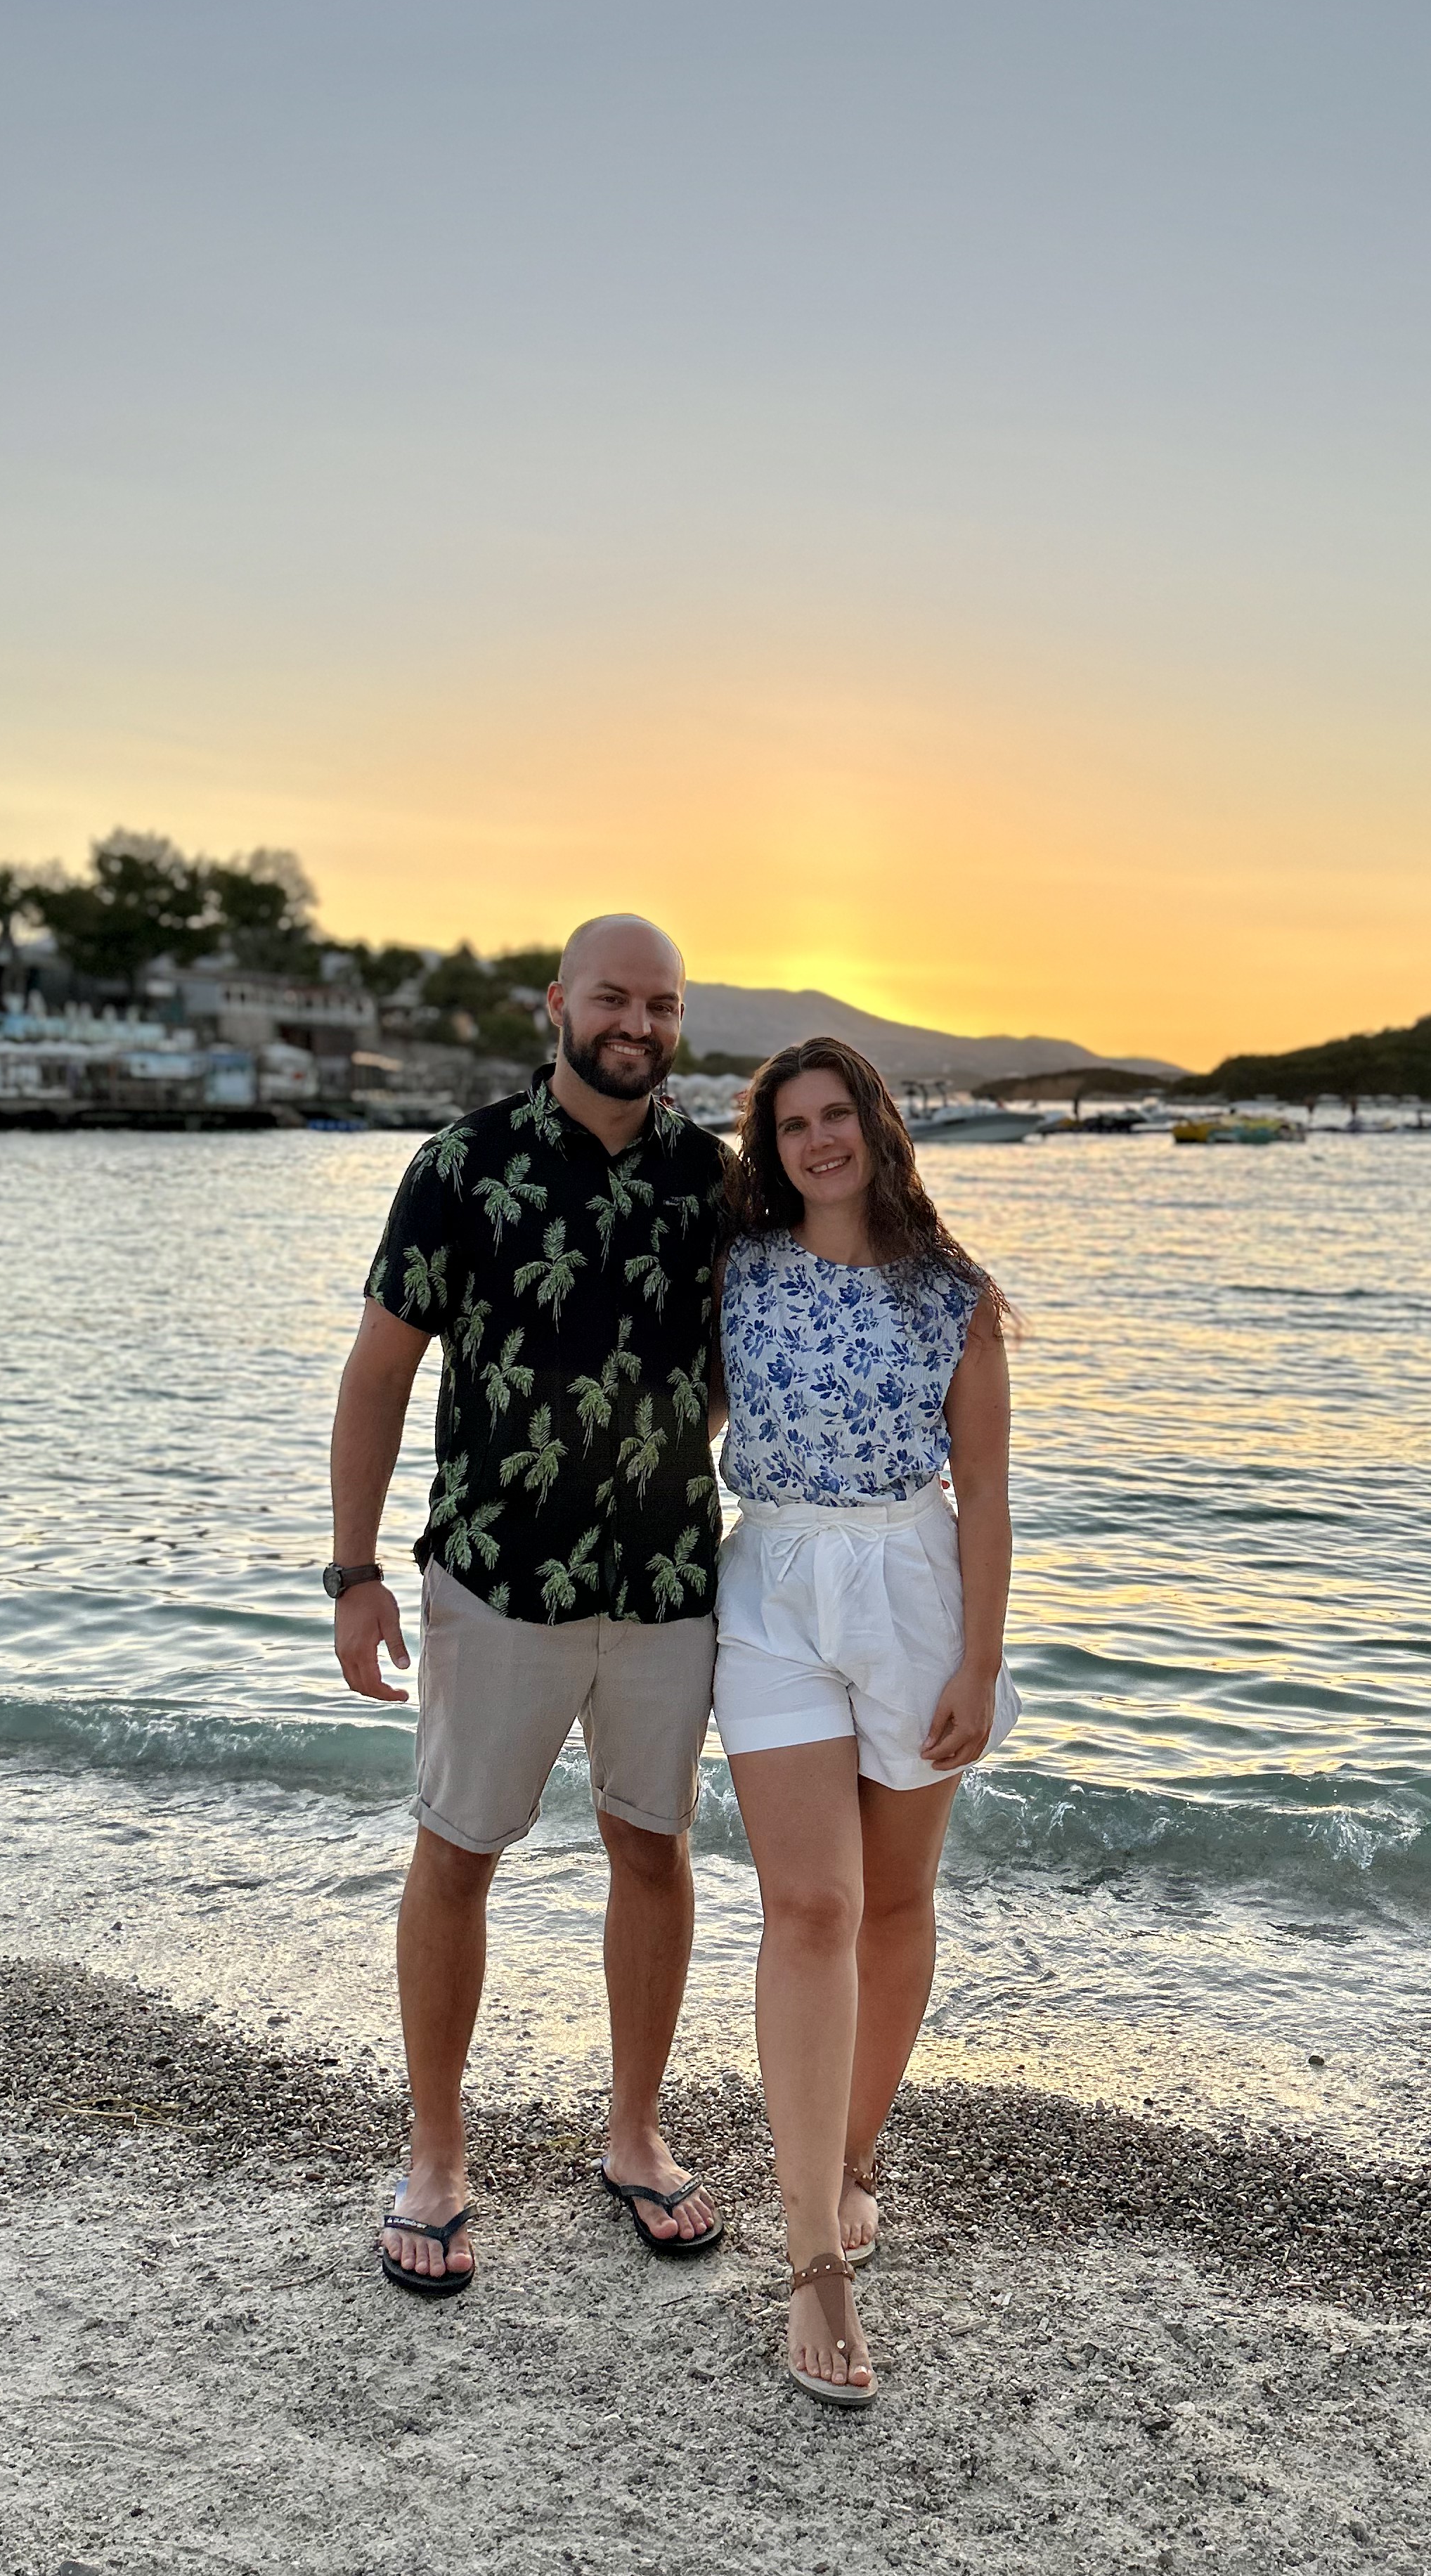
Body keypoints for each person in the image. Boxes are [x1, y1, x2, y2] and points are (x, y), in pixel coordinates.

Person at [328, 914, 732, 2294]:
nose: (639, 1023)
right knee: (460, 1850)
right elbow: (377, 1376)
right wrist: (355, 1573)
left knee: (654, 1851)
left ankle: (634, 2135)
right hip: (494, 1581)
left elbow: (740, 1365)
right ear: (559, 1004)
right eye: (614, 997)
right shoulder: (462, 1167)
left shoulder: (714, 1180)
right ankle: (435, 2154)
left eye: (662, 1005)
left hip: (672, 1587)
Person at [711, 1036, 1021, 2404]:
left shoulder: (956, 1296)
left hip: (912, 1589)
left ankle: (848, 2162)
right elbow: (673, 1421)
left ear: (878, 1129)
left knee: (895, 1904)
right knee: (813, 1910)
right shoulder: (736, 1272)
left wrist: (980, 1660)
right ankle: (812, 2269)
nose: (821, 1141)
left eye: (839, 1116)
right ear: (771, 1148)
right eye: (795, 1125)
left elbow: (991, 1496)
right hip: (769, 1584)